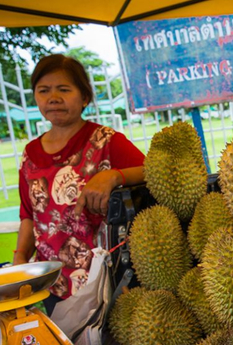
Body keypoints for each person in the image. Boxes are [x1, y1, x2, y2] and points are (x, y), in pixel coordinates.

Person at [14, 54, 145, 313]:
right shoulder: (30, 154)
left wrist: (115, 175)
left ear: (84, 97)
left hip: (107, 279)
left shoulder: (106, 141)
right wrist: (20, 257)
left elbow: (151, 171)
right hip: (55, 283)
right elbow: (29, 216)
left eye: (64, 89)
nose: (53, 98)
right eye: (44, 90)